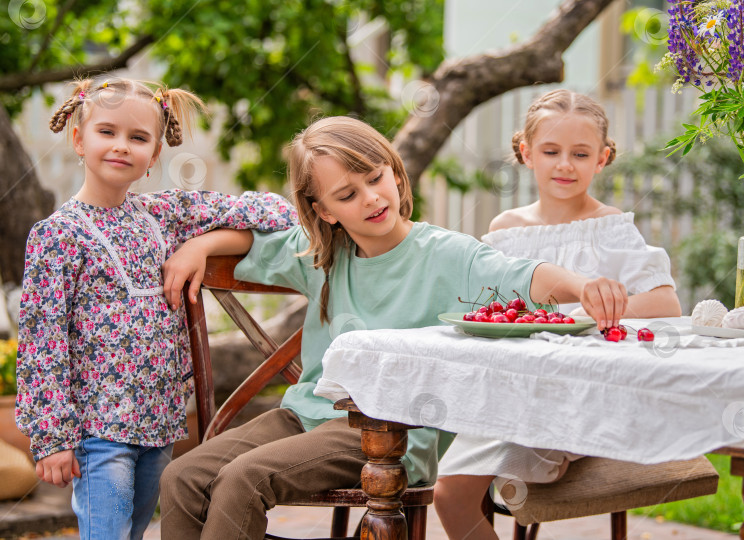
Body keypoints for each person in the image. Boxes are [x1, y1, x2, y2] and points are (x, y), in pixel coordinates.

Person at [157, 115, 630, 538]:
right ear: (323, 210)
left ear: (394, 172)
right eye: (346, 195)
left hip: (387, 429)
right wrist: (201, 246)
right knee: (183, 477)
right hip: (303, 416)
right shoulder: (320, 252)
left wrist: (582, 285)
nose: (371, 198)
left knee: (245, 478)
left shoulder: (446, 254)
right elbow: (254, 245)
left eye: (375, 178)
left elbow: (522, 276)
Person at [14, 76, 297, 540]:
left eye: (139, 138)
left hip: (160, 421)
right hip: (99, 429)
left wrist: (201, 246)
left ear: (154, 156)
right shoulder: (57, 235)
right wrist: (52, 438)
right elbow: (43, 343)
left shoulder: (164, 215)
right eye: (107, 132)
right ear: (79, 139)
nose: (122, 146)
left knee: (135, 532)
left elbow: (275, 212)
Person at [433, 88, 682, 539]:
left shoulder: (612, 228)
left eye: (580, 153)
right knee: (448, 495)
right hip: (508, 388)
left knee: (474, 487)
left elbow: (667, 303)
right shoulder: (506, 230)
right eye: (551, 151)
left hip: (582, 391)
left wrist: (592, 308)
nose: (565, 165)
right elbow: (492, 304)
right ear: (527, 153)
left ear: (602, 159)